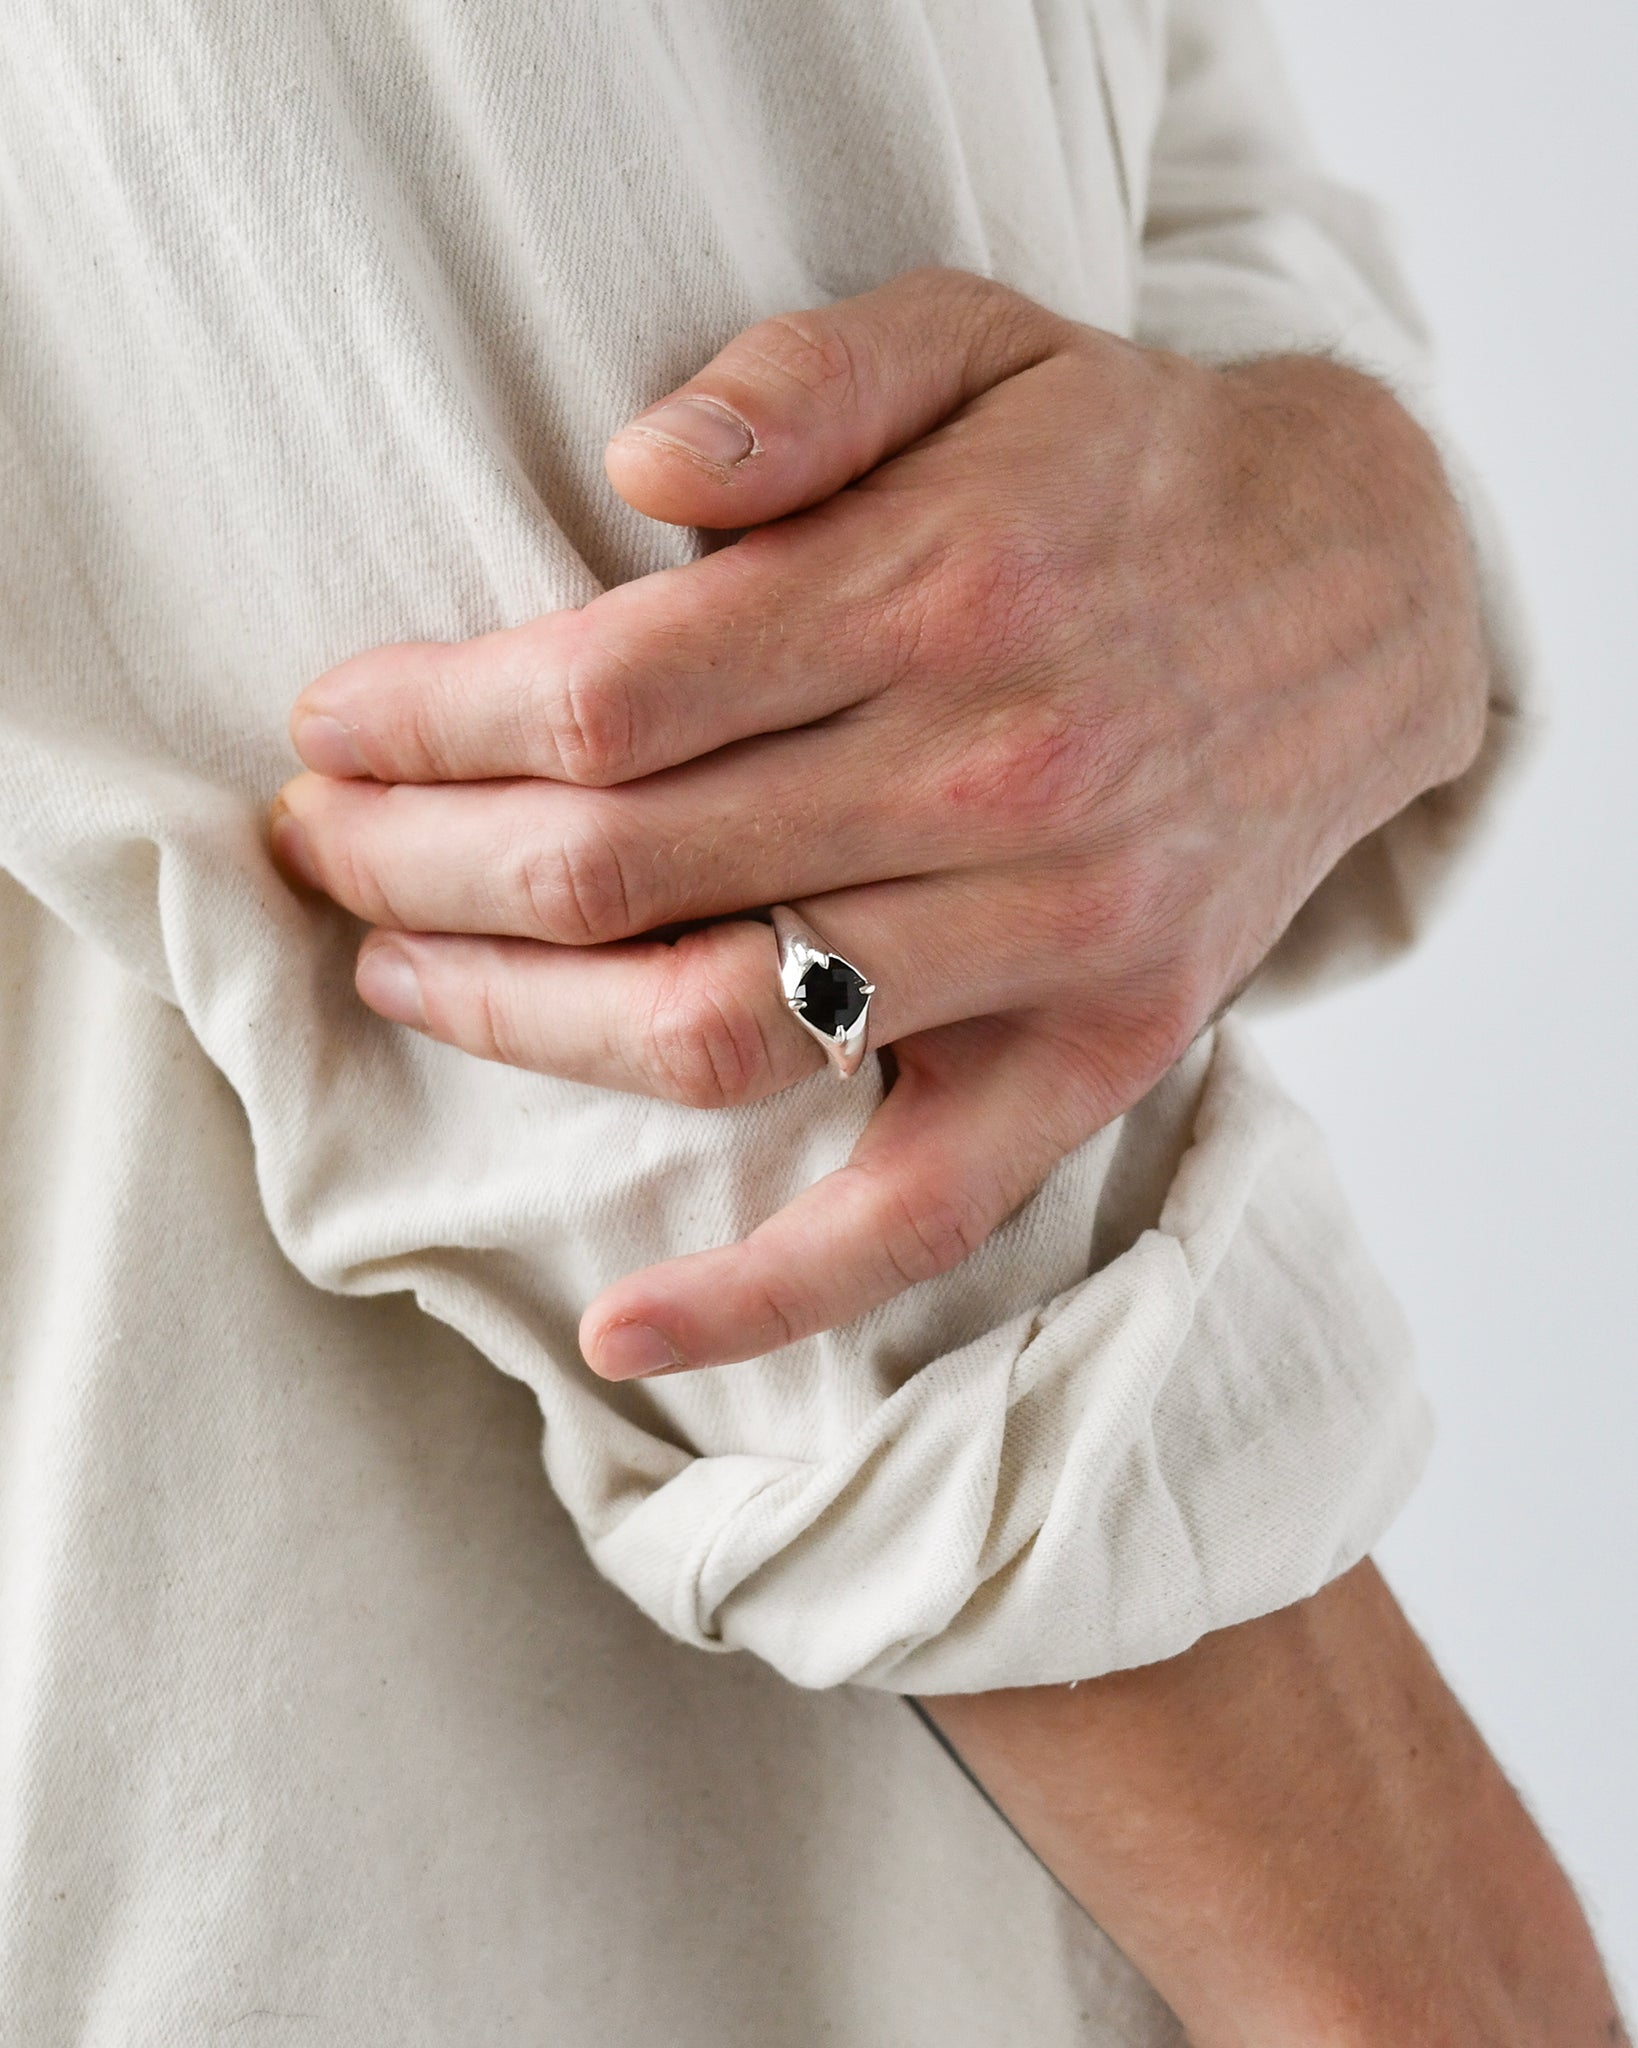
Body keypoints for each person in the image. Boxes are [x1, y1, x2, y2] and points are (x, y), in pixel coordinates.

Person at [0, 2, 1622, 2042]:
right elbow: (667, 834)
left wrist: (1333, 505)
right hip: (375, 1842)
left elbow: (1155, 142)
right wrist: (1430, 1983)